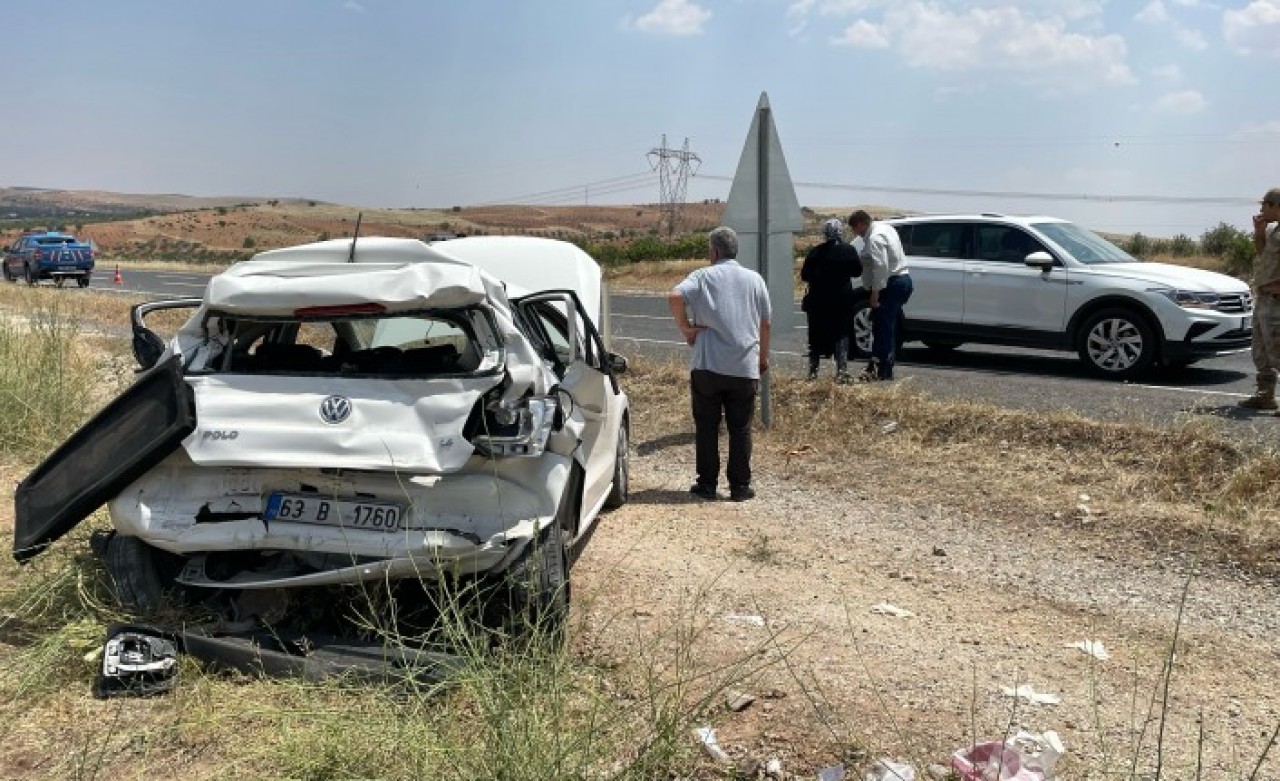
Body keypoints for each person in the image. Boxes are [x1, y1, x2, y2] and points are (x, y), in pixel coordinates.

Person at [667, 226, 772, 501]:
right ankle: (739, 486)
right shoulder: (755, 280)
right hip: (743, 366)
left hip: (708, 366)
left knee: (707, 426)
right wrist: (762, 358)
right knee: (740, 428)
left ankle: (707, 484)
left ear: (714, 251)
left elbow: (676, 296)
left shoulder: (702, 276)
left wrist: (687, 329)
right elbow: (766, 323)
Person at [848, 209, 913, 381]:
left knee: (884, 327)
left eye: (855, 229)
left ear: (861, 224)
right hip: (902, 279)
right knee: (882, 324)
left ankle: (884, 370)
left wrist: (875, 293)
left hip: (892, 283)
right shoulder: (886, 228)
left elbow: (881, 267)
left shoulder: (875, 238)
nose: (856, 233)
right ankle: (878, 365)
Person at [801, 218, 862, 382]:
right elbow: (857, 271)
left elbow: (805, 275)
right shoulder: (848, 250)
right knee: (841, 333)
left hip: (818, 300)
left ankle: (813, 372)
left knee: (815, 336)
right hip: (841, 299)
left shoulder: (816, 251)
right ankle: (841, 371)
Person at [1239, 187, 1280, 410]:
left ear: (1275, 206)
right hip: (1264, 299)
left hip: (1277, 303)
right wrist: (1259, 232)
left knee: (1278, 349)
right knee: (1261, 350)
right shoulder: (1273, 230)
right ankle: (1265, 395)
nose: (1261, 209)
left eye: (1264, 205)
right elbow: (1262, 253)